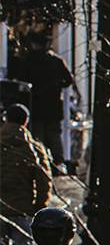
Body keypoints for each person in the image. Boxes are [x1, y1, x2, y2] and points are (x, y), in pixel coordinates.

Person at [5, 31, 74, 170]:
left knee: (38, 137)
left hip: (36, 106)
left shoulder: (28, 61)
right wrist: (56, 86)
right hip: (53, 106)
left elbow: (21, 83)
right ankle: (58, 164)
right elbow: (68, 80)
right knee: (54, 136)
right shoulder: (56, 61)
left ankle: (41, 163)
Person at [0, 100, 53, 245]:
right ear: (26, 121)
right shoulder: (33, 148)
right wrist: (37, 207)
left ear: (6, 119)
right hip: (22, 210)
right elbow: (44, 181)